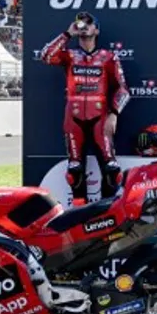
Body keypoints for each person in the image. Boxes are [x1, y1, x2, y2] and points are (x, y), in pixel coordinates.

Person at [39, 12, 131, 207]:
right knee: (75, 172)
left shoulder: (108, 57)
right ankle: (80, 216)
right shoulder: (70, 56)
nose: (84, 26)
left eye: (89, 23)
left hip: (101, 118)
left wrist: (114, 114)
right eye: (81, 23)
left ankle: (107, 211)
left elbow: (123, 90)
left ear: (97, 30)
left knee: (112, 172)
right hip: (73, 119)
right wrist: (67, 34)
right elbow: (45, 56)